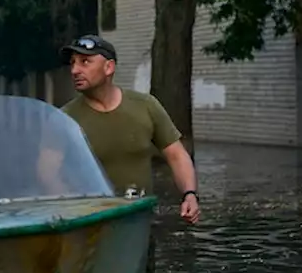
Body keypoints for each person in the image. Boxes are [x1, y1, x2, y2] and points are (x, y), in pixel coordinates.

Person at [46, 34, 201, 224]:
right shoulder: (63, 119)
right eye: (72, 63)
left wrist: (190, 194)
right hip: (91, 225)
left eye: (85, 62)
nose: (75, 70)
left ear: (108, 67)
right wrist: (73, 210)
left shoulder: (145, 106)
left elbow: (177, 155)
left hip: (140, 223)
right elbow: (47, 172)